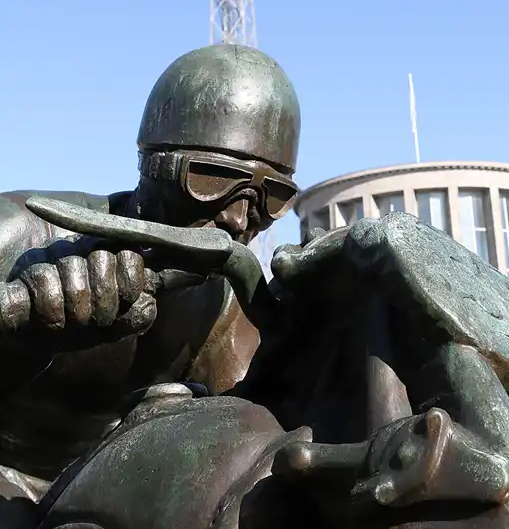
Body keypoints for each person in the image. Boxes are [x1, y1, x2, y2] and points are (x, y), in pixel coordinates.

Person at [0, 45, 301, 503]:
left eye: (270, 198)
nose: (240, 221)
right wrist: (25, 341)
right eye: (211, 180)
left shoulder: (223, 304)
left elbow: (260, 428)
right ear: (153, 164)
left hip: (102, 495)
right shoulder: (18, 234)